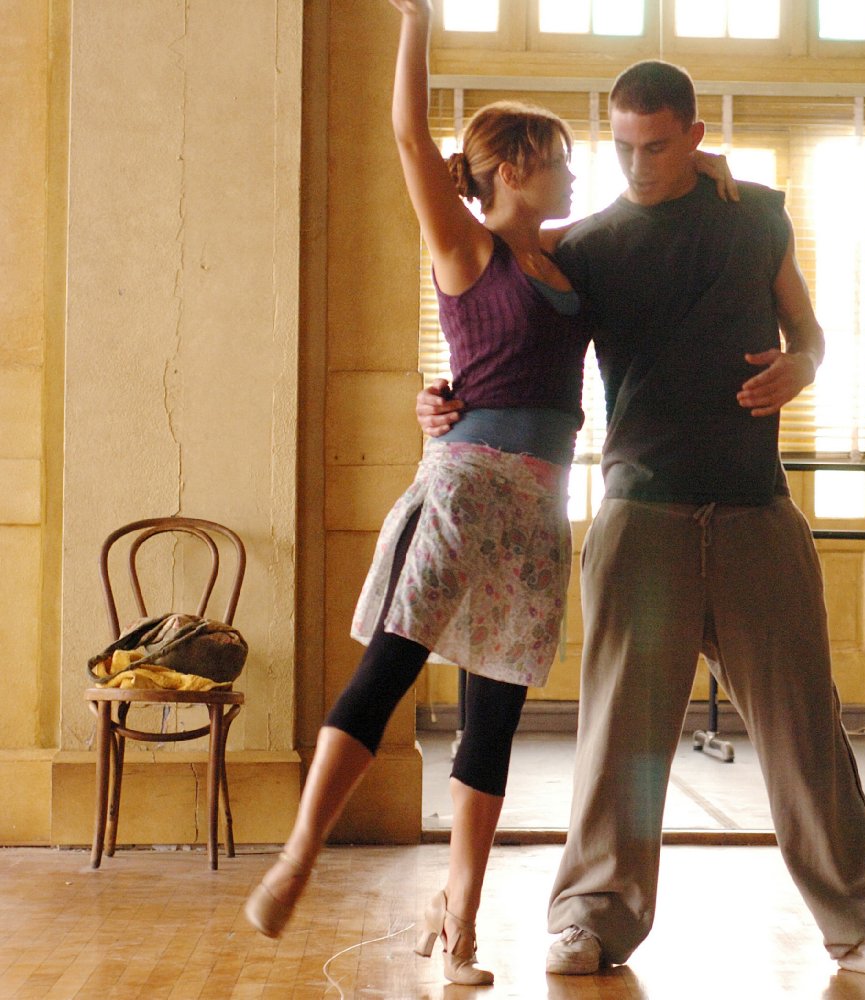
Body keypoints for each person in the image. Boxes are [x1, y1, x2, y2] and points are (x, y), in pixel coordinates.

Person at [417, 61, 865, 985]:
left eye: (656, 147)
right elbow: (493, 296)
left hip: (755, 508)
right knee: (622, 737)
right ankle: (590, 919)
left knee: (805, 731)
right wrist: (440, 398)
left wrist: (804, 366)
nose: (636, 165)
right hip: (640, 511)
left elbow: (811, 332)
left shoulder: (756, 214)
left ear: (694, 137)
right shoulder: (586, 245)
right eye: (621, 147)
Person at [242, 1, 593, 985]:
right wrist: (417, 24)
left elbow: (643, 217)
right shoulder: (467, 248)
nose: (572, 172)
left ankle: (461, 920)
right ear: (511, 167)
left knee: (493, 717)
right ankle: (300, 852)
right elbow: (408, 135)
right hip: (464, 491)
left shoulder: (565, 260)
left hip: (537, 511)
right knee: (389, 669)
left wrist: (720, 171)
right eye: (559, 158)